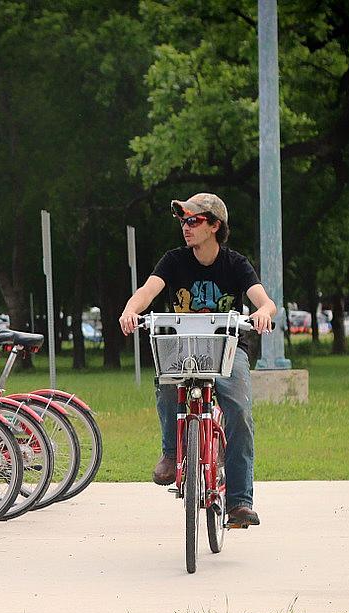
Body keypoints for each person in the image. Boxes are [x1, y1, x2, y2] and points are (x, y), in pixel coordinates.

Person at [118, 193, 277, 528]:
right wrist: (131, 310)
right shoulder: (174, 260)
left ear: (214, 226)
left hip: (227, 348)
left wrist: (263, 312)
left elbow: (265, 302)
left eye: (193, 220)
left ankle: (239, 502)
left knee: (239, 412)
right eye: (183, 221)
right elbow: (147, 291)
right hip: (182, 346)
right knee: (166, 383)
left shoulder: (235, 264)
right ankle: (172, 453)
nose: (186, 227)